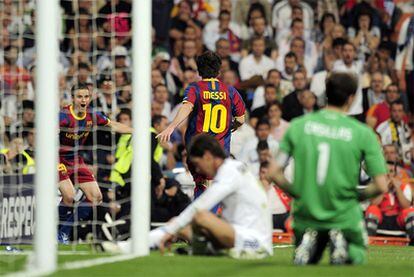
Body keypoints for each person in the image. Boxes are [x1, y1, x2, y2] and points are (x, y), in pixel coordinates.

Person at [267, 72, 388, 265]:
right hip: (343, 212)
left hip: (306, 211)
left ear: (325, 94)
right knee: (357, 257)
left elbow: (273, 172)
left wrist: (298, 193)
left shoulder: (298, 126)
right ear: (351, 98)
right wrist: (354, 196)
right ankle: (341, 240)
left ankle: (311, 238)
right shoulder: (363, 133)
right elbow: (381, 185)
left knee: (308, 254)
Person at [103, 134, 272, 259]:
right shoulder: (232, 169)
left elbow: (200, 206)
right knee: (181, 226)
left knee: (200, 216)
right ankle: (202, 250)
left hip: (256, 244)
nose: (197, 170)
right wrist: (174, 227)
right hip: (239, 234)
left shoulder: (231, 172)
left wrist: (170, 230)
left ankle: (131, 246)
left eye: (198, 164)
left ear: (208, 156)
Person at [157, 51, 245, 195]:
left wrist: (171, 127)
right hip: (220, 152)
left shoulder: (195, 88)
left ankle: (201, 214)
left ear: (199, 70)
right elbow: (241, 119)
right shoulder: (230, 91)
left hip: (197, 150)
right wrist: (230, 128)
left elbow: (187, 106)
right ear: (219, 71)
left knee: (203, 188)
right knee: (217, 189)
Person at [58, 83, 133, 243]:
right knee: (69, 196)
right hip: (57, 158)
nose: (83, 100)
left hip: (76, 159)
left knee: (96, 197)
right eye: (79, 96)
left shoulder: (92, 115)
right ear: (73, 99)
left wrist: (137, 131)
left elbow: (113, 124)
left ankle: (63, 232)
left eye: (86, 96)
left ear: (90, 98)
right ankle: (57, 232)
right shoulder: (63, 116)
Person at [365, 162, 414, 245]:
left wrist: (397, 188)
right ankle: (368, 241)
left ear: (395, 173)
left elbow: (406, 206)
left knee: (410, 211)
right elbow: (374, 203)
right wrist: (384, 187)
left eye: (391, 171)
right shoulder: (376, 186)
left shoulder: (405, 186)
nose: (388, 175)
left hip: (398, 220)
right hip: (382, 220)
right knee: (372, 209)